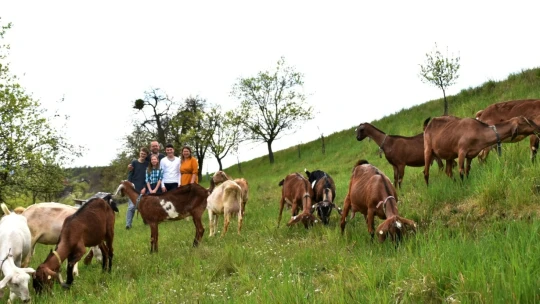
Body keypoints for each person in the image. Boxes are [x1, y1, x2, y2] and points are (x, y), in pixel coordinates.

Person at [126, 147, 149, 229]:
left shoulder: (147, 164)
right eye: (142, 153)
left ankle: (146, 221)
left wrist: (145, 187)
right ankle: (128, 224)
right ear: (139, 153)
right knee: (131, 207)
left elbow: (148, 177)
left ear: (146, 155)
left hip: (143, 188)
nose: (143, 155)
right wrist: (129, 185)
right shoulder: (134, 162)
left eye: (144, 154)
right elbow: (130, 174)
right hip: (133, 188)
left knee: (143, 207)